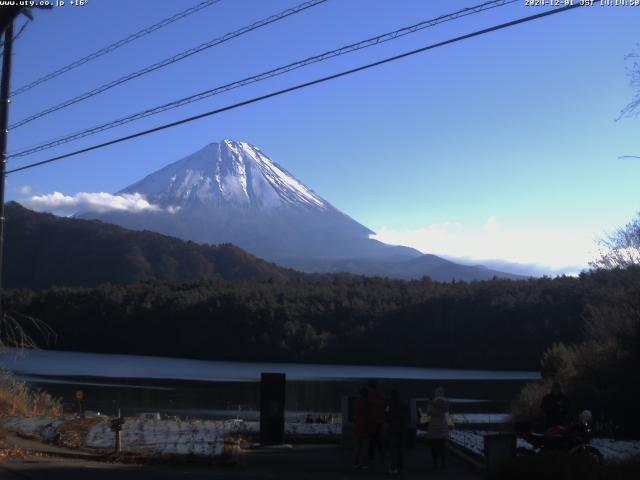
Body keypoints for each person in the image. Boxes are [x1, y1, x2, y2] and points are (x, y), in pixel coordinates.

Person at [386, 389, 408, 475]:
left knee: (393, 449)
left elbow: (387, 416)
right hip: (402, 429)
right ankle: (400, 466)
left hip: (392, 429)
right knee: (400, 448)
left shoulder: (389, 405)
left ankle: (393, 467)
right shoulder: (404, 405)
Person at [427, 386, 449, 470]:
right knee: (442, 446)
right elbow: (447, 414)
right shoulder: (446, 403)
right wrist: (450, 424)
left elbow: (428, 414)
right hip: (443, 427)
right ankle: (443, 463)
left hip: (433, 427)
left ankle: (435, 463)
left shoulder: (430, 403)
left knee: (434, 446)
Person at [353, 387, 372, 469]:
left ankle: (355, 463)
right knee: (365, 447)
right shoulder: (369, 403)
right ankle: (364, 464)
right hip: (366, 426)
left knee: (357, 446)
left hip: (358, 426)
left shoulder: (357, 402)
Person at [367, 379, 385, 462]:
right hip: (379, 420)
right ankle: (380, 454)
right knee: (378, 438)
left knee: (371, 438)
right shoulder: (380, 395)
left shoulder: (369, 395)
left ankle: (371, 456)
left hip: (372, 420)